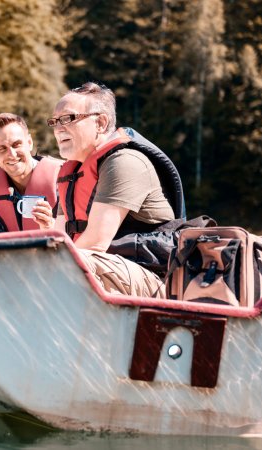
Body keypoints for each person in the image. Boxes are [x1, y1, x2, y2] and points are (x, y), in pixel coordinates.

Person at [37, 82, 184, 297]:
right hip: (104, 269)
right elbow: (60, 239)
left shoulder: (123, 162)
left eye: (68, 118)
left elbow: (95, 244)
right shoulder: (72, 174)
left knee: (73, 263)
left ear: (100, 123)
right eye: (55, 121)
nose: (58, 128)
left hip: (155, 278)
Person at [0, 113, 62, 233]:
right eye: (2, 149)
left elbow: (78, 236)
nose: (12, 155)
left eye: (16, 145)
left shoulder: (62, 178)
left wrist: (50, 226)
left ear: (29, 142)